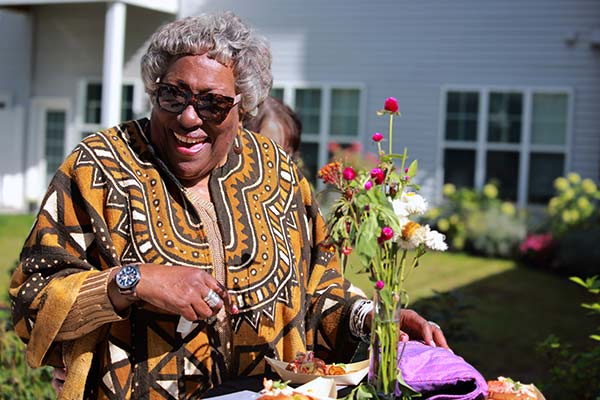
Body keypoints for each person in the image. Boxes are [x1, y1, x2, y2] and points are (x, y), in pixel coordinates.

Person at [10, 12, 447, 399]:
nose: (189, 117)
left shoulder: (278, 172)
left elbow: (316, 288)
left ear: (243, 105)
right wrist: (133, 280)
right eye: (173, 95)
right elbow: (32, 297)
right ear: (154, 90)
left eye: (213, 103)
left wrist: (374, 320)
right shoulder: (98, 168)